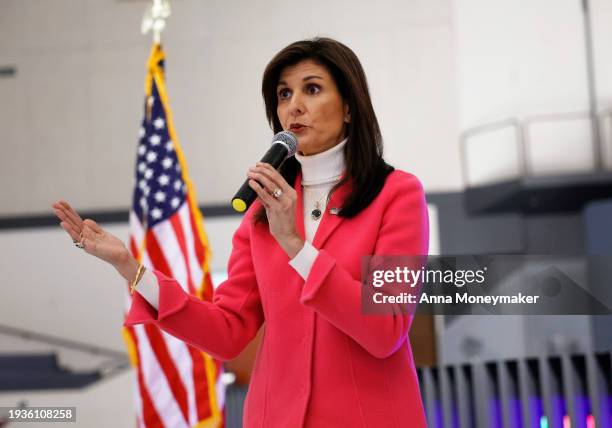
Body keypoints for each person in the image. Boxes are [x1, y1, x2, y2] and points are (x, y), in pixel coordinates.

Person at [52, 37, 429, 427]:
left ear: (349, 106)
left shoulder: (397, 195)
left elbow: (386, 330)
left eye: (311, 89)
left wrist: (297, 247)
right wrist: (131, 269)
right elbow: (227, 331)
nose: (293, 105)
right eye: (284, 94)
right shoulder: (260, 212)